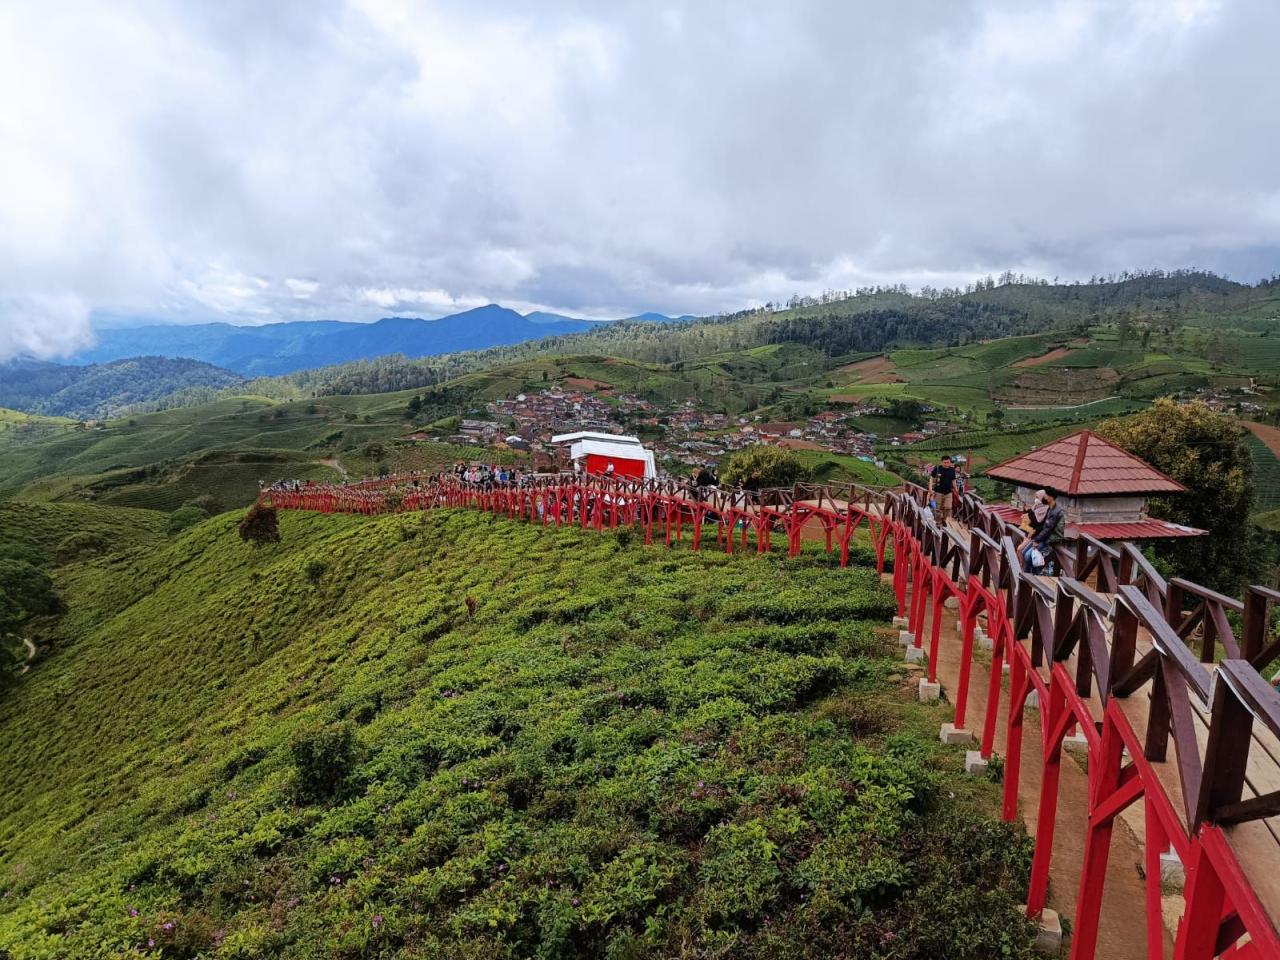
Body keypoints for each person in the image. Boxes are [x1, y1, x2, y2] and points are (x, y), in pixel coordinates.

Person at [1022, 488, 1065, 574]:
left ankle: (1028, 576)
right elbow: (1044, 527)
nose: (1043, 498)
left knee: (1028, 556)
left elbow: (1048, 529)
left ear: (1051, 497)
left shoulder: (1056, 512)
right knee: (1024, 552)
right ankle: (1032, 575)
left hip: (1052, 538)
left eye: (1045, 496)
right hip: (1044, 536)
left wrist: (1037, 540)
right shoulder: (1050, 508)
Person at [929, 455, 958, 525]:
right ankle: (938, 522)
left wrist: (956, 490)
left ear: (950, 462)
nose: (946, 464)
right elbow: (931, 478)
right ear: (941, 462)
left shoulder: (952, 470)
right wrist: (930, 488)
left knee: (948, 507)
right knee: (937, 509)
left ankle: (943, 519)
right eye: (945, 462)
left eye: (948, 462)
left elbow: (953, 480)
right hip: (938, 492)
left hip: (948, 492)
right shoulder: (937, 468)